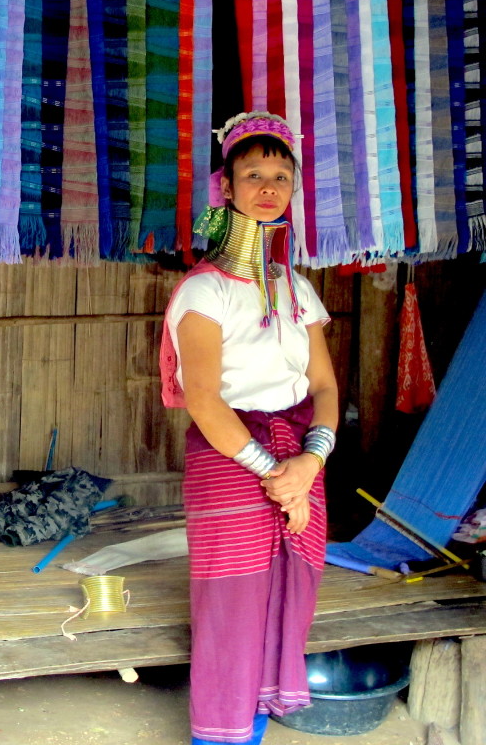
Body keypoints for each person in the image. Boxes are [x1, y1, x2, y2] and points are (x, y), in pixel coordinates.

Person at [160, 112, 339, 745]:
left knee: (290, 603)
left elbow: (324, 388)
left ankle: (255, 728)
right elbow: (204, 398)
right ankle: (220, 737)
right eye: (253, 174)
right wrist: (274, 475)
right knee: (234, 613)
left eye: (281, 176)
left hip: (301, 458)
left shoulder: (300, 289)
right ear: (225, 190)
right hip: (230, 456)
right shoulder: (203, 292)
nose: (269, 186)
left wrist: (309, 465)